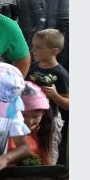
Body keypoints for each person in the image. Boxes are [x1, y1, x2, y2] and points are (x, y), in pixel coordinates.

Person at [27, 28, 69, 165]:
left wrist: (55, 95)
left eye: (38, 47)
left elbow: (68, 104)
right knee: (31, 150)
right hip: (31, 118)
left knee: (48, 153)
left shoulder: (61, 74)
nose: (33, 50)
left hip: (50, 121)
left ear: (54, 51)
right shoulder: (32, 67)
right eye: (33, 46)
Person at [8, 84, 61, 165]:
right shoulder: (5, 127)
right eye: (23, 115)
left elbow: (48, 163)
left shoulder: (44, 129)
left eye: (35, 117)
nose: (29, 121)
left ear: (43, 113)